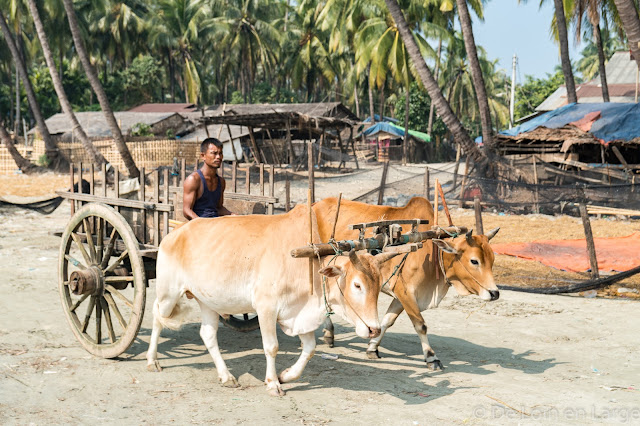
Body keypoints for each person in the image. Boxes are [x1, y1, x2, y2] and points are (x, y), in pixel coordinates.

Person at [183, 138, 233, 220]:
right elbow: (186, 210)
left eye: (220, 153)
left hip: (215, 224)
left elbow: (219, 208)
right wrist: (201, 222)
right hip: (198, 225)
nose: (218, 157)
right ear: (203, 156)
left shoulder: (221, 181)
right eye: (214, 153)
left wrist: (232, 214)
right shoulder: (194, 180)